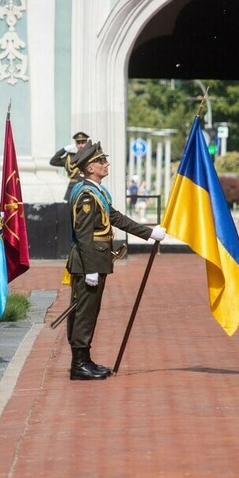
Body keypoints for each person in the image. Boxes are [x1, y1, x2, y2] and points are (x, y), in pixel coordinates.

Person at [65, 142, 166, 381]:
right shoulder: (86, 196)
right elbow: (84, 235)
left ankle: (85, 360)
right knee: (84, 314)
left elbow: (115, 218)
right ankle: (79, 365)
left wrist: (149, 233)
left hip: (95, 262)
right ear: (90, 168)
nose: (106, 164)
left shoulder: (96, 192)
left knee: (89, 312)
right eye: (101, 162)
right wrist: (90, 269)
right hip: (87, 264)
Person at [50, 131, 90, 201]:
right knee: (71, 210)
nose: (80, 145)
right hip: (73, 187)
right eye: (78, 143)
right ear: (76, 145)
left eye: (83, 143)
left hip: (87, 186)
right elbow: (53, 161)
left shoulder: (91, 157)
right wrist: (64, 150)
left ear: (87, 143)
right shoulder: (70, 158)